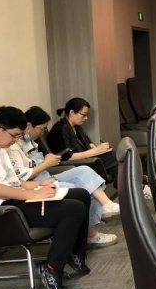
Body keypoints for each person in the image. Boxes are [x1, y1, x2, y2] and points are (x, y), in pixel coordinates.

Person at [0, 106, 92, 289]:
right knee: (74, 209)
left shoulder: (1, 149)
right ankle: (52, 267)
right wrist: (34, 195)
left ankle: (75, 252)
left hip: (15, 200)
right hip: (6, 212)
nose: (15, 140)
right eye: (14, 135)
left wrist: (39, 185)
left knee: (80, 195)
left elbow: (15, 183)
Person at [8, 106, 119, 247]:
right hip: (38, 183)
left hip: (47, 176)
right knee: (80, 190)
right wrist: (46, 163)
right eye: (41, 129)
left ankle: (106, 204)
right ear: (29, 126)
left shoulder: (30, 141)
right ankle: (91, 235)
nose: (42, 133)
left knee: (84, 171)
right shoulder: (13, 147)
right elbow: (23, 176)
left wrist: (47, 160)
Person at [46, 98, 118, 185]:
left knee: (116, 156)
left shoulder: (77, 127)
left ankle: (122, 183)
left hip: (85, 161)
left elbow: (88, 143)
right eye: (83, 115)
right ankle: (124, 184)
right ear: (72, 112)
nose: (86, 118)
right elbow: (68, 157)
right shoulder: (60, 129)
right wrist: (96, 150)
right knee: (115, 156)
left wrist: (99, 149)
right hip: (76, 165)